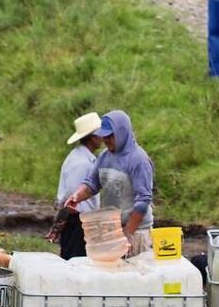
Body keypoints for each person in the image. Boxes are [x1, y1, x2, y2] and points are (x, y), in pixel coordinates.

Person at [64, 111, 154, 258]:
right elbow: (92, 183)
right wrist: (77, 196)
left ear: (122, 132)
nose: (106, 140)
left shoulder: (138, 160)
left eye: (110, 136)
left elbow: (143, 201)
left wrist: (128, 233)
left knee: (135, 276)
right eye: (104, 136)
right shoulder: (105, 157)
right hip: (113, 229)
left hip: (136, 232)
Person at [54, 113, 103, 259]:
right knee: (76, 263)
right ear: (93, 137)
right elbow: (73, 198)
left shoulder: (83, 158)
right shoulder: (82, 163)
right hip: (77, 222)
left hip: (80, 221)